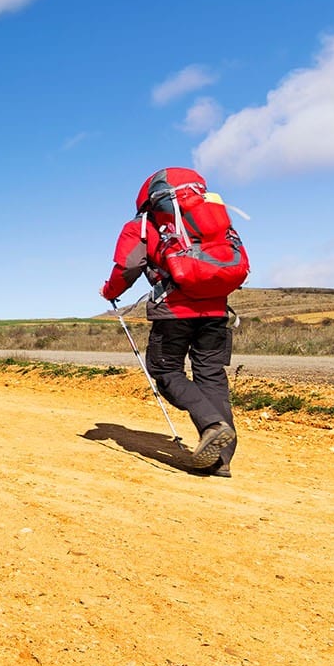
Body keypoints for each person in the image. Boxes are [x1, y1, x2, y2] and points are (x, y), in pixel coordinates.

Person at [100, 168, 238, 476]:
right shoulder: (212, 217)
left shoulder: (144, 225)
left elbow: (128, 266)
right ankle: (221, 460)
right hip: (217, 310)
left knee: (165, 371)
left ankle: (211, 425)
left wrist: (109, 292)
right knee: (211, 376)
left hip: (174, 311)